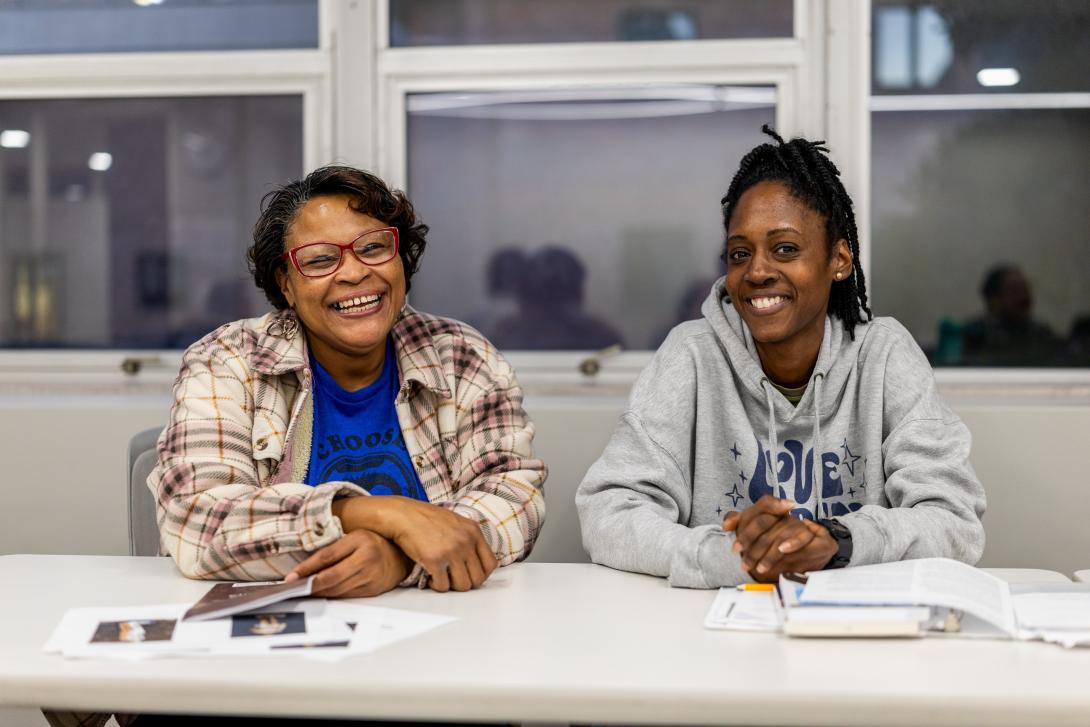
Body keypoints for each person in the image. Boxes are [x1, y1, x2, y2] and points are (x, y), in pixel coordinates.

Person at [576, 126, 985, 587]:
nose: (757, 271)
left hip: (858, 630)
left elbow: (954, 520)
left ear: (839, 260)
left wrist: (838, 541)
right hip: (713, 626)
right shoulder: (692, 355)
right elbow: (608, 511)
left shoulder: (885, 355)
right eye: (739, 253)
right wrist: (730, 555)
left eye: (785, 249)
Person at [151, 165, 547, 596]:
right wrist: (375, 514)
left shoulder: (462, 356)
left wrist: (397, 560)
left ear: (400, 261)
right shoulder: (228, 360)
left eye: (373, 248)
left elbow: (512, 499)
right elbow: (197, 520)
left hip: (438, 627)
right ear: (286, 284)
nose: (354, 273)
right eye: (320, 259)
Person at [961, 264, 1063, 366]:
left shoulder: (1041, 334)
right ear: (994, 300)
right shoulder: (974, 334)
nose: (1024, 297)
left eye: (1026, 289)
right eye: (1015, 291)